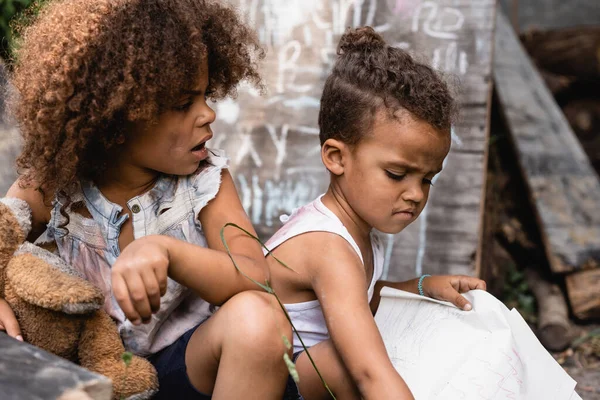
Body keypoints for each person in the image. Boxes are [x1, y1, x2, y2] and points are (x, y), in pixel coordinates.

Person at [0, 0, 294, 398]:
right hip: (85, 378)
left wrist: (167, 251)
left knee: (262, 320)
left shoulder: (206, 182)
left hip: (182, 368)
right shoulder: (54, 189)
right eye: (182, 104)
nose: (208, 113)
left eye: (206, 95)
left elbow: (257, 275)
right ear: (116, 116)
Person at [263, 27, 487, 400]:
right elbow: (368, 372)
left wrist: (421, 287)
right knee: (357, 365)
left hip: (296, 376)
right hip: (266, 381)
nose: (415, 194)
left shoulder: (354, 228)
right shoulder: (327, 245)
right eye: (397, 174)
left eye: (428, 179)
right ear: (337, 157)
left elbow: (358, 298)